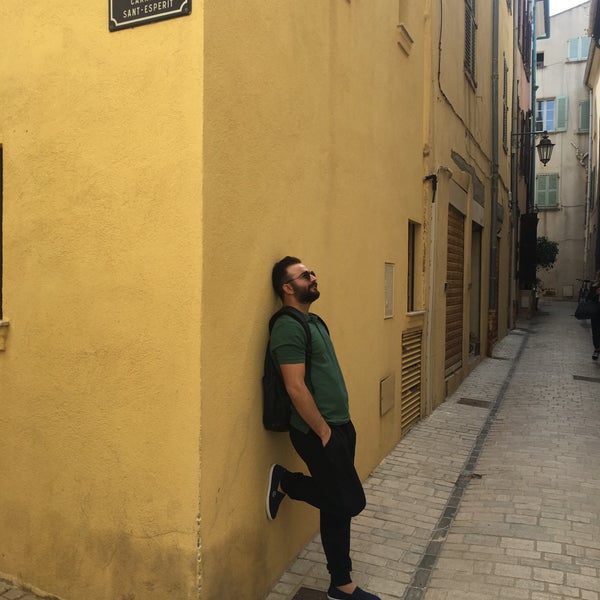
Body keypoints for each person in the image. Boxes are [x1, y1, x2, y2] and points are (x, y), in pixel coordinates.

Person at [265, 256, 380, 600]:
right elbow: (295, 386)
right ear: (287, 288)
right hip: (317, 431)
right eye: (304, 276)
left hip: (340, 426)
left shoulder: (314, 321)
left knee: (336, 507)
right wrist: (324, 432)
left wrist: (339, 427)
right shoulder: (287, 327)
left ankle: (340, 585)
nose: (313, 277)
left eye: (312, 272)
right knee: (348, 500)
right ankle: (287, 482)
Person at [588, 270, 600, 360]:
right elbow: (589, 298)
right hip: (596, 311)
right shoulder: (594, 286)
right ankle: (597, 349)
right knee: (595, 332)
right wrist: (596, 293)